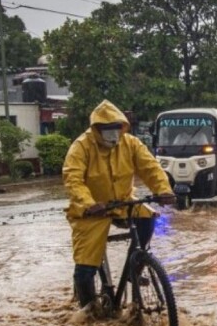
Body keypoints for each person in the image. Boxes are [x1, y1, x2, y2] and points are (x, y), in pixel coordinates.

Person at [62, 99, 175, 311]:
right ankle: (88, 314)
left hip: (124, 202)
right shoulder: (81, 147)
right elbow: (73, 179)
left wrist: (163, 190)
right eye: (107, 129)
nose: (113, 133)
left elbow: (150, 167)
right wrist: (88, 203)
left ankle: (136, 266)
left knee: (148, 218)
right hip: (91, 211)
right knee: (85, 267)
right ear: (97, 129)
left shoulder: (130, 143)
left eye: (116, 128)